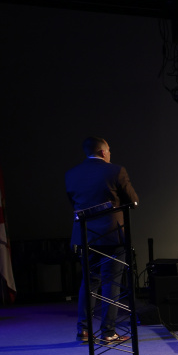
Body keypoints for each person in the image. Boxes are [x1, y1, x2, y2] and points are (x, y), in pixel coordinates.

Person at [65, 136, 139, 343]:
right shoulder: (116, 170)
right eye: (109, 151)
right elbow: (133, 201)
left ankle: (84, 331)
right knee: (111, 282)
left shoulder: (71, 174)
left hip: (85, 236)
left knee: (89, 282)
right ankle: (108, 332)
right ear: (103, 152)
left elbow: (75, 203)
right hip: (112, 236)